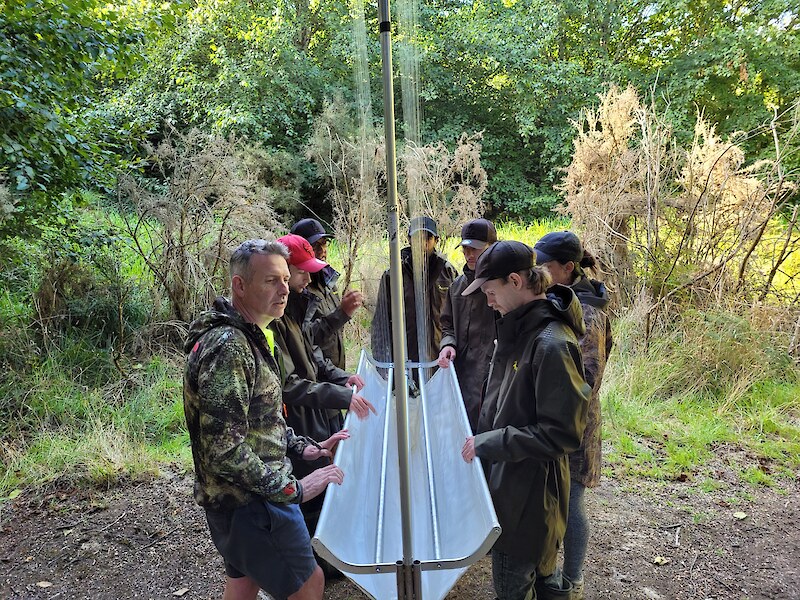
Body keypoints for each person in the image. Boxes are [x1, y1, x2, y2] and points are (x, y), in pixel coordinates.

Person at [183, 239, 348, 600]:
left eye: (286, 279)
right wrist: (295, 490)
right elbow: (224, 451)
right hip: (252, 505)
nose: (284, 289)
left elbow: (261, 419)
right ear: (239, 286)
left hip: (242, 504)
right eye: (271, 280)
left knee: (243, 585)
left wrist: (306, 448)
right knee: (310, 583)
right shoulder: (230, 347)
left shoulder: (253, 334)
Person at [459, 240, 591, 600]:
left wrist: (489, 443)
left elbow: (560, 434)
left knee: (515, 584)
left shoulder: (552, 344)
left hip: (530, 498)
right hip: (511, 483)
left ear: (515, 281)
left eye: (490, 292)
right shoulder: (518, 329)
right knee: (538, 580)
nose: (488, 302)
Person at [272, 233, 376, 575]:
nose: (306, 278)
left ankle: (332, 549)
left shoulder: (299, 307)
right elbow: (288, 384)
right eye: (300, 272)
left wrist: (341, 377)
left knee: (327, 472)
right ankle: (315, 561)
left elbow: (315, 358)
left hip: (320, 411)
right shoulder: (275, 318)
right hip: (298, 417)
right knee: (309, 484)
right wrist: (342, 395)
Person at [534, 231, 613, 600]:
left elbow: (588, 378)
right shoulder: (560, 299)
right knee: (553, 498)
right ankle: (548, 571)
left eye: (545, 266)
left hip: (577, 425)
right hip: (556, 418)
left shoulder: (590, 312)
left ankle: (574, 580)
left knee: (572, 502)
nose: (540, 272)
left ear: (567, 268)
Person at [437, 218, 499, 432]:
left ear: (493, 249)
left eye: (476, 249)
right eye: (465, 249)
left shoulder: (503, 286)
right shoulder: (456, 287)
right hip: (461, 376)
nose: (469, 255)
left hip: (492, 381)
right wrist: (448, 344)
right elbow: (447, 325)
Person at [371, 215, 458, 365]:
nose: (422, 243)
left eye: (427, 238)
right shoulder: (393, 276)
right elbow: (380, 323)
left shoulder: (448, 272)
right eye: (417, 238)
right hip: (404, 361)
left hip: (441, 359)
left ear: (436, 240)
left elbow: (458, 319)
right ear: (409, 239)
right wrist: (383, 364)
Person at [290, 218, 364, 370]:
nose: (322, 250)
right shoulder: (296, 290)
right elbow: (304, 339)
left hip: (335, 374)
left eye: (324, 243)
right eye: (315, 245)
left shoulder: (328, 280)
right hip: (317, 379)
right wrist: (341, 313)